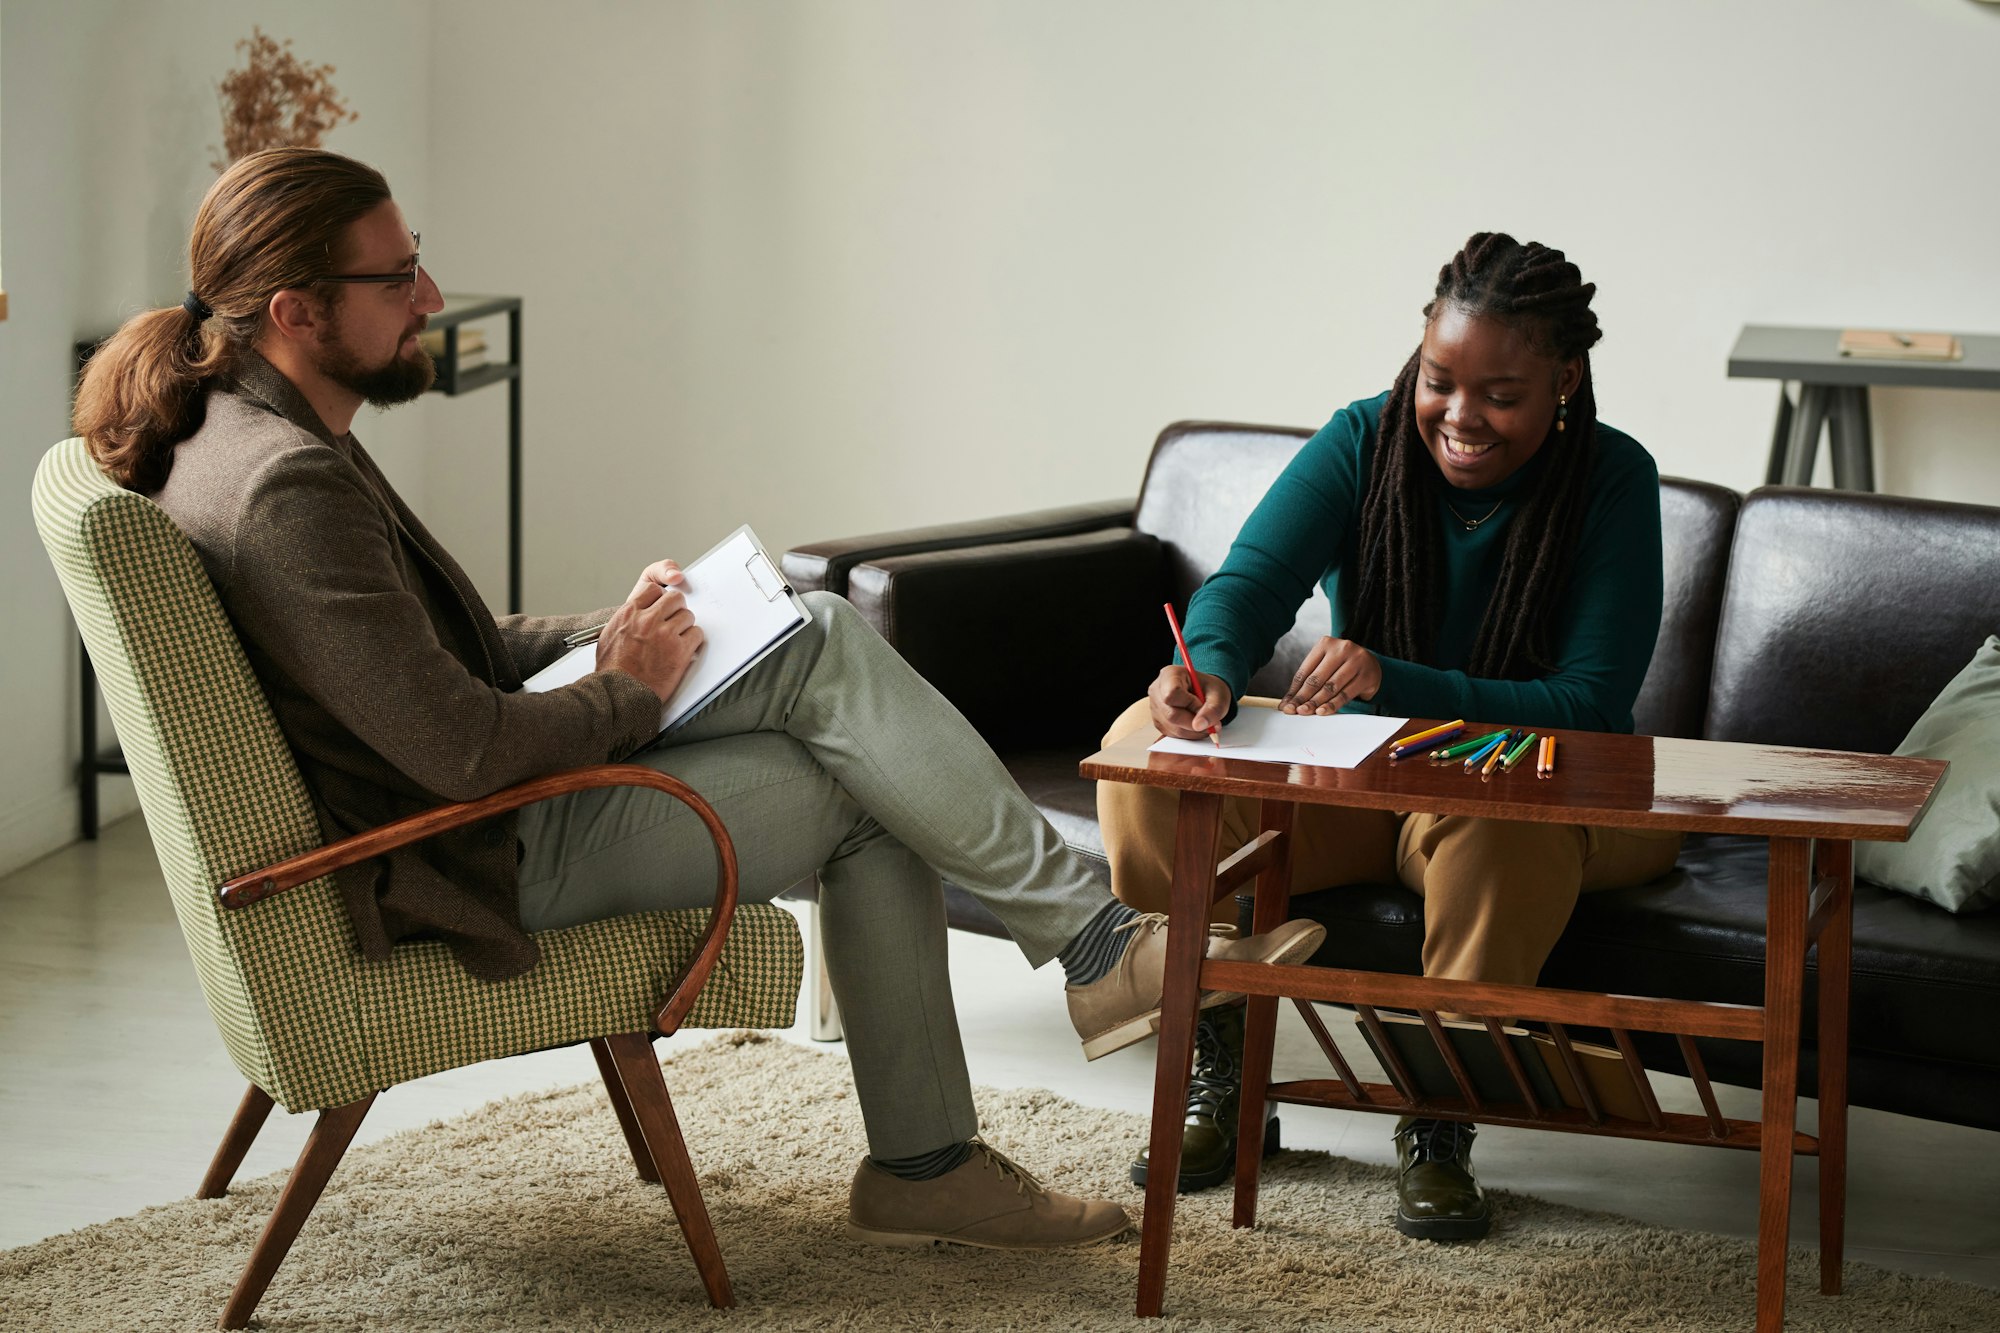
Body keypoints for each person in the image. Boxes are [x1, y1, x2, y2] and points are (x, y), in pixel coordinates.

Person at [72, 147, 1325, 1254]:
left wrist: (617, 638)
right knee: (855, 745)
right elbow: (459, 750)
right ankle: (1014, 1058)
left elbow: (421, 655)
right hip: (473, 851)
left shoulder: (244, 429)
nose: (432, 301)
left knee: (809, 648)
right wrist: (626, 685)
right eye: (395, 279)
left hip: (463, 807)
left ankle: (1005, 1072)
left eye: (418, 265)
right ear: (295, 308)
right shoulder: (286, 485)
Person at [1097, 233, 1683, 1240]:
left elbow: (1588, 703)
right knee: (1149, 757)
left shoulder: (1611, 479)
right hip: (1366, 778)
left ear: (1563, 379)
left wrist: (1390, 677)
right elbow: (1246, 588)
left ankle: (1439, 1117)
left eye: (1498, 394)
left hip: (1546, 787)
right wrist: (1209, 671)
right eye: (1437, 380)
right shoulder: (1361, 440)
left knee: (1500, 826)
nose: (1458, 417)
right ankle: (1225, 1069)